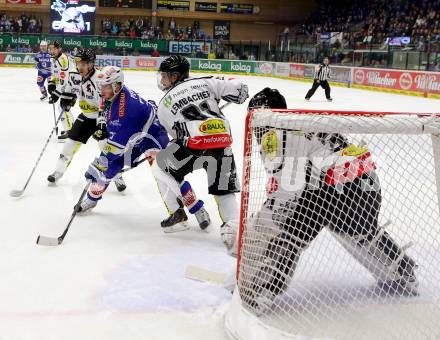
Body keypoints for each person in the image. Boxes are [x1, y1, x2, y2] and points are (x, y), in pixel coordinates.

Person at [242, 88, 418, 314]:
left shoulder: (275, 135)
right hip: (367, 187)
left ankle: (261, 291)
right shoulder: (304, 122)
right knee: (360, 232)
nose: (255, 127)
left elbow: (288, 193)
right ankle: (403, 272)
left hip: (334, 191)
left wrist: (260, 225)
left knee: (289, 231)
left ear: (263, 115)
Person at [78, 66, 211, 232]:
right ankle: (92, 199)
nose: (100, 89)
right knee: (109, 169)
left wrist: (98, 164)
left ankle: (197, 210)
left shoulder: (125, 110)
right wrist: (103, 125)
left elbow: (115, 147)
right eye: (101, 85)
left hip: (153, 134)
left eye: (104, 86)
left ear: (117, 86)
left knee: (164, 172)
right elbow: (104, 111)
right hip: (134, 135)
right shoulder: (111, 93)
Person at [155, 55, 249, 253]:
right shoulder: (206, 81)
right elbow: (241, 91)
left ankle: (186, 206)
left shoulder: (164, 104)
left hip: (193, 145)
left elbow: (176, 135)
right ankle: (235, 237)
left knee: (161, 167)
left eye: (164, 76)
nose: (162, 80)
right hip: (221, 140)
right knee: (224, 193)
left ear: (175, 76)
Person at [47, 47, 126, 193]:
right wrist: (63, 99)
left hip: (101, 119)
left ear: (91, 64)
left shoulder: (100, 79)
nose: (80, 67)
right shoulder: (74, 75)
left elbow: (107, 103)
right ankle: (58, 172)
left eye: (83, 64)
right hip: (85, 116)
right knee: (69, 145)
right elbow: (69, 90)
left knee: (105, 148)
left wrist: (103, 124)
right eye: (78, 64)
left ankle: (118, 177)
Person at [47, 40, 77, 141]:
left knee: (64, 107)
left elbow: (64, 81)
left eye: (55, 48)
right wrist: (52, 83)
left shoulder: (62, 59)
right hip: (68, 84)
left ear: (59, 49)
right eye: (51, 48)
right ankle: (72, 129)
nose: (53, 50)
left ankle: (70, 132)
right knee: (64, 107)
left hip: (72, 84)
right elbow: (56, 74)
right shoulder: (54, 59)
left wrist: (55, 94)